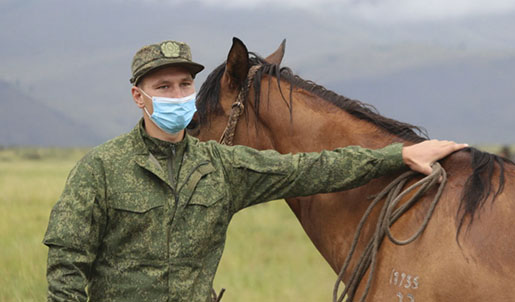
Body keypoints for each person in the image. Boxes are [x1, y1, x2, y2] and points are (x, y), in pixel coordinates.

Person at [43, 40, 467, 302]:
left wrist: (397, 155)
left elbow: (311, 169)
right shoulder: (99, 169)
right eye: (163, 87)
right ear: (139, 97)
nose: (177, 95)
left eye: (184, 85)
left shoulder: (222, 167)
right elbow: (66, 267)